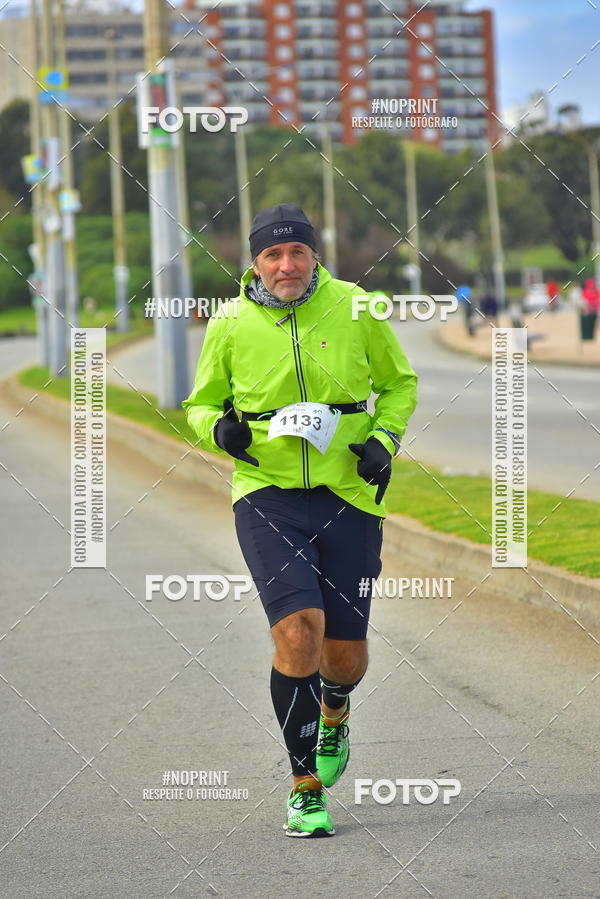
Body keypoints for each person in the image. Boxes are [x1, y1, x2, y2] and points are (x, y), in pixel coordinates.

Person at [182, 203, 418, 838]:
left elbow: (399, 386)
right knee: (297, 634)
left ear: (315, 254)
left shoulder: (357, 307)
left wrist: (384, 441)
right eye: (272, 255)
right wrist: (220, 431)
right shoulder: (230, 321)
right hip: (267, 493)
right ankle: (304, 786)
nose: (286, 265)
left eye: (297, 252)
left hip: (349, 495)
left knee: (344, 659)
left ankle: (335, 709)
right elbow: (200, 404)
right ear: (254, 262)